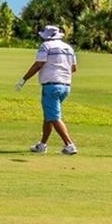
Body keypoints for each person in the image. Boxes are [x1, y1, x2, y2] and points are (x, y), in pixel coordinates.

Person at [16, 24, 78, 154]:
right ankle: (42, 145)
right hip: (65, 86)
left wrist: (24, 79)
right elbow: (73, 68)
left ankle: (69, 144)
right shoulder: (68, 48)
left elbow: (38, 64)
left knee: (54, 117)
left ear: (47, 36)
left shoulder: (46, 46)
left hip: (51, 86)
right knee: (49, 115)